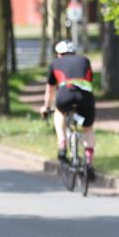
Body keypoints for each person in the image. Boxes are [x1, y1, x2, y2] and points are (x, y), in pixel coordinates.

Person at [40, 40, 96, 181]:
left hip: (65, 94)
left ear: (59, 54)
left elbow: (50, 90)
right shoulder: (85, 60)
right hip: (85, 95)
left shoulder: (55, 63)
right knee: (88, 129)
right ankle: (89, 161)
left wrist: (46, 107)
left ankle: (62, 142)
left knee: (59, 112)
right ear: (74, 53)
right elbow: (89, 79)